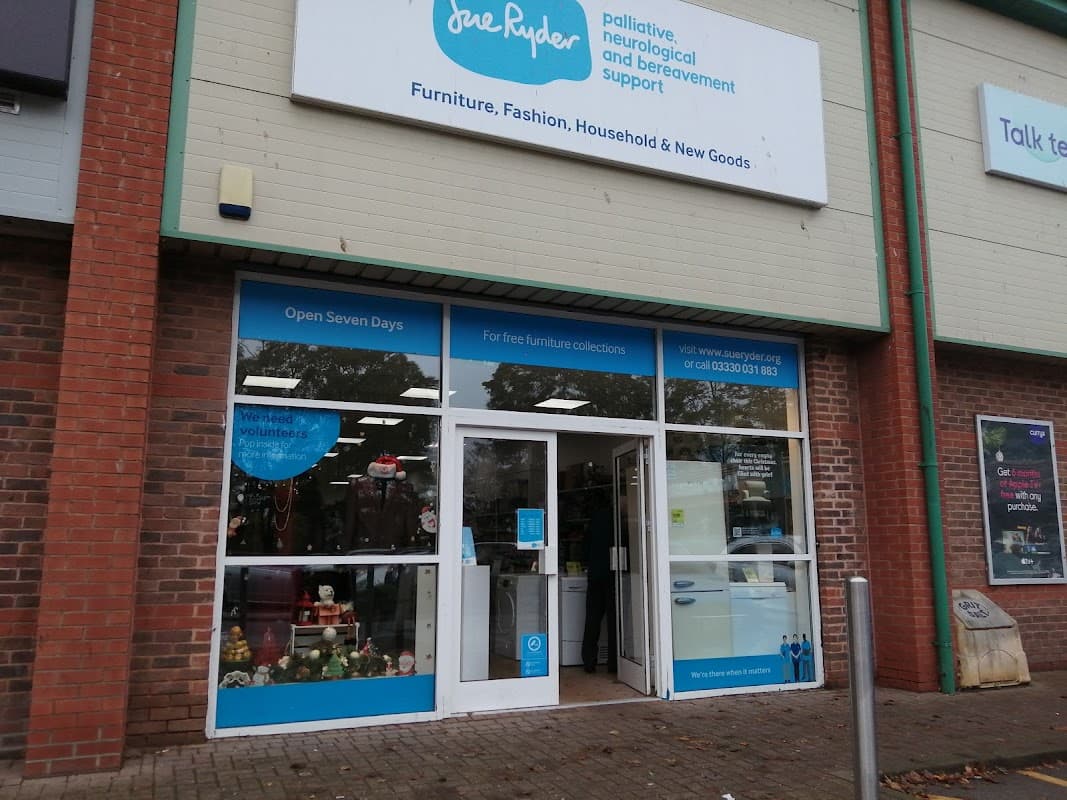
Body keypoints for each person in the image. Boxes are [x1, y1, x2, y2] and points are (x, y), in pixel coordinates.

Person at [582, 505, 616, 673]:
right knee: (614, 620)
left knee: (592, 618)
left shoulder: (595, 519)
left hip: (595, 573)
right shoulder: (618, 521)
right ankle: (614, 663)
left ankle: (589, 661)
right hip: (613, 574)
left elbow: (585, 545)